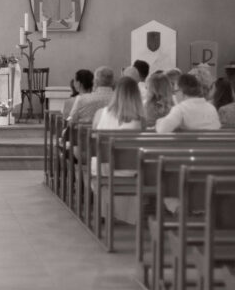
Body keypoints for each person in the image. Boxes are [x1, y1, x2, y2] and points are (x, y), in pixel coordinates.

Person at [91, 77, 144, 225]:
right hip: (127, 169)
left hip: (102, 168)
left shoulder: (102, 113)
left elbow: (95, 139)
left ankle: (105, 211)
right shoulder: (139, 120)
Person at [155, 74, 221, 133]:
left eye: (175, 91)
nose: (175, 94)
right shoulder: (211, 107)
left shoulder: (180, 109)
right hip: (215, 145)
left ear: (181, 91)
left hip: (192, 146)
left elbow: (162, 129)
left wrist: (159, 121)